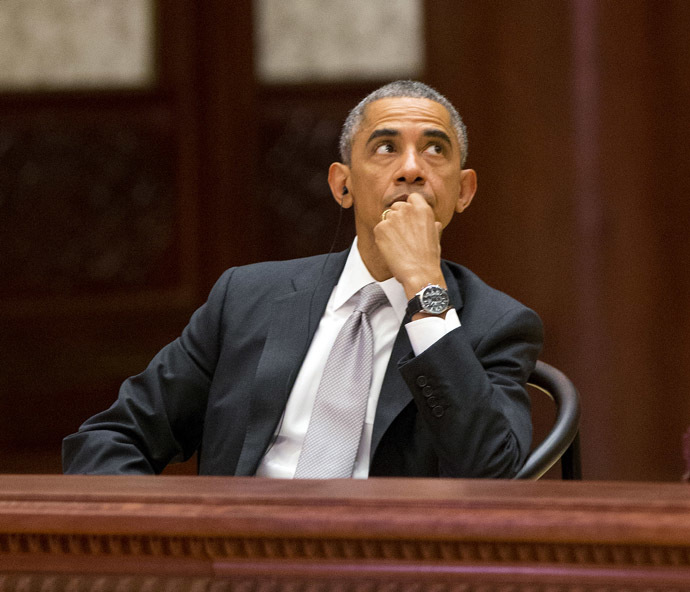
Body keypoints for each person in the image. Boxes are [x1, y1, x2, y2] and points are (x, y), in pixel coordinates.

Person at [62, 80, 543, 478]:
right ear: (343, 184)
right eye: (385, 147)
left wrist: (424, 288)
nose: (412, 169)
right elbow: (111, 438)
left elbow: (492, 473)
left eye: (435, 150)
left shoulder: (496, 325)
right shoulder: (246, 299)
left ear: (464, 190)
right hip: (236, 559)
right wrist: (169, 544)